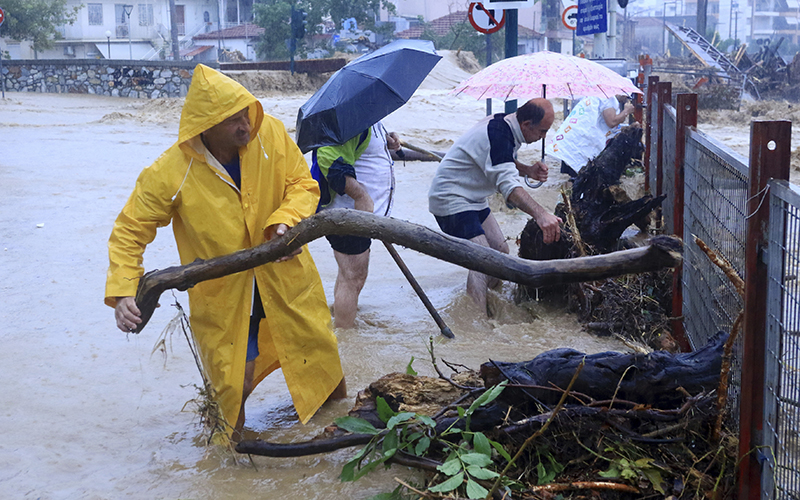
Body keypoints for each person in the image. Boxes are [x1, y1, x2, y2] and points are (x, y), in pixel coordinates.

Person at [105, 64, 345, 442]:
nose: (245, 126)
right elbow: (130, 230)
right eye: (232, 120)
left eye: (246, 114)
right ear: (205, 126)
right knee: (234, 377)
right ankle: (227, 451)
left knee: (318, 355)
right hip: (225, 292)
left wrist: (285, 222)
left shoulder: (270, 134)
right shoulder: (172, 170)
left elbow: (303, 183)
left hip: (285, 275)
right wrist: (123, 290)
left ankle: (335, 435)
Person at [428, 98, 562, 315]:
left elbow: (499, 159)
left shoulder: (505, 123)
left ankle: (489, 305)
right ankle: (477, 326)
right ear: (527, 124)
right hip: (450, 199)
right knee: (481, 260)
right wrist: (541, 214)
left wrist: (527, 170)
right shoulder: (499, 134)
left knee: (500, 252)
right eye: (542, 131)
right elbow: (509, 189)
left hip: (473, 199)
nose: (543, 137)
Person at [312, 121, 400, 328]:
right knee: (353, 277)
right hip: (348, 215)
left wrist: (385, 141)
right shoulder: (349, 120)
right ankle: (346, 337)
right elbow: (329, 160)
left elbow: (360, 148)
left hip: (360, 215)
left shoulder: (368, 118)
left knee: (349, 275)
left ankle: (340, 323)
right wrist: (360, 195)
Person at [549, 94, 636, 176]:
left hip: (572, 138)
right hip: (580, 142)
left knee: (573, 178)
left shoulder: (597, 96)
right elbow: (612, 122)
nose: (626, 99)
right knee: (580, 177)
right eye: (626, 96)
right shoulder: (609, 99)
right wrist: (626, 111)